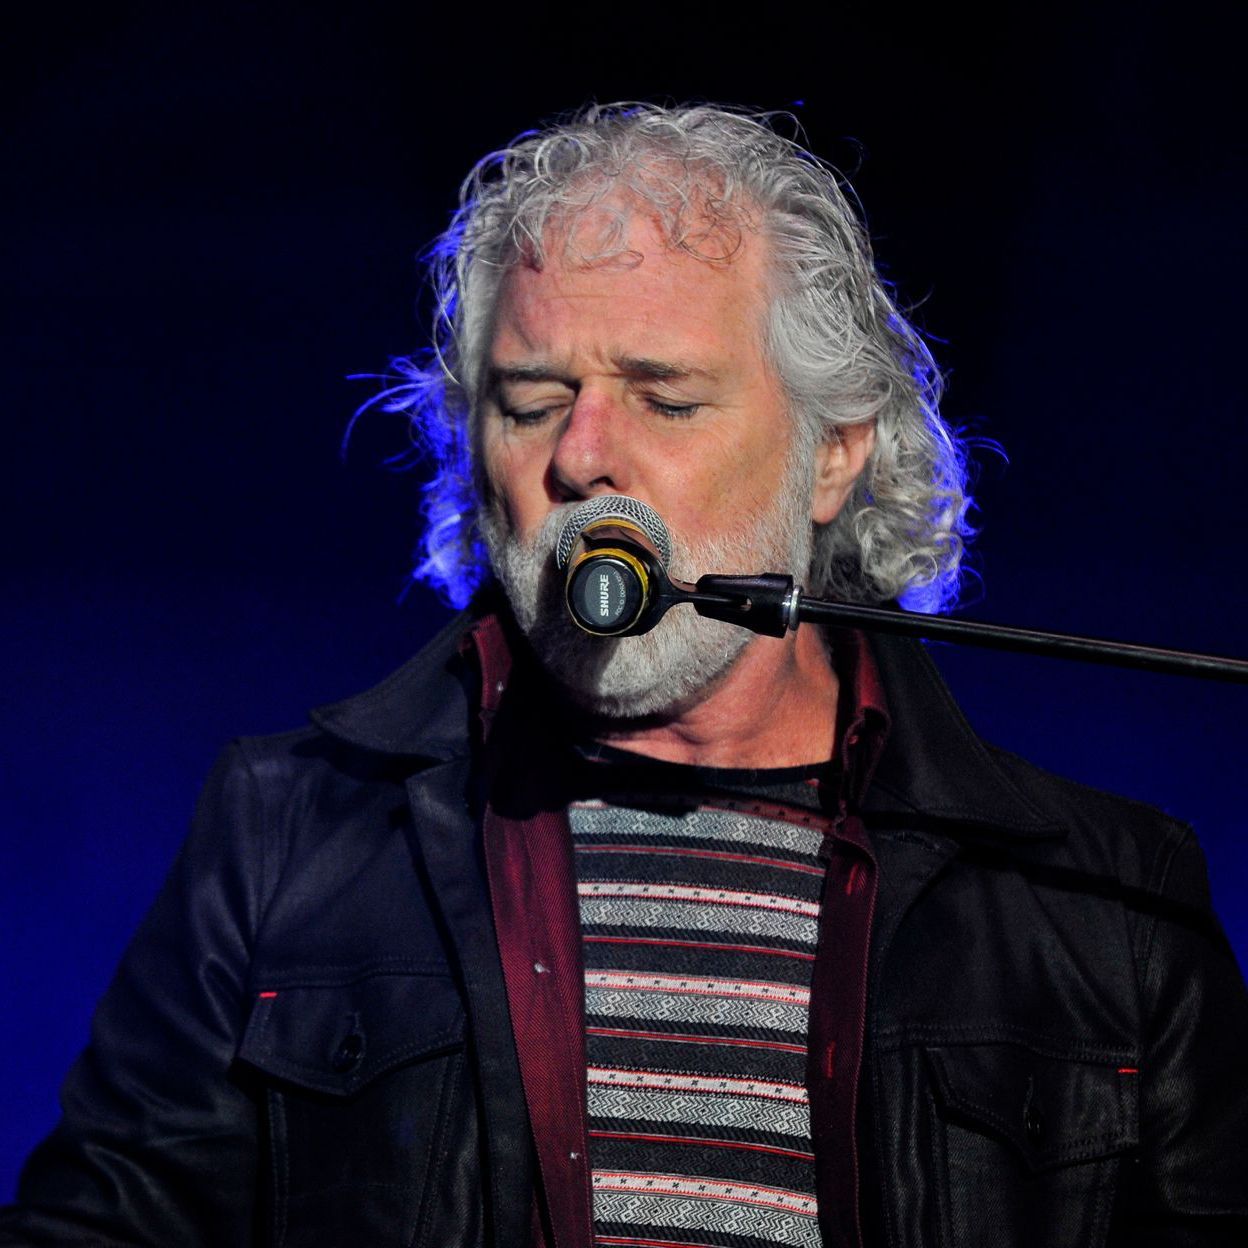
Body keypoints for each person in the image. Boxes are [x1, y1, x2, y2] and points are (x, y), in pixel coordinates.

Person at [3, 103, 1246, 1248]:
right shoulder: (286, 836)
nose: (585, 458)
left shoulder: (1111, 906)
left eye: (667, 399)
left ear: (833, 457)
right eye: (533, 399)